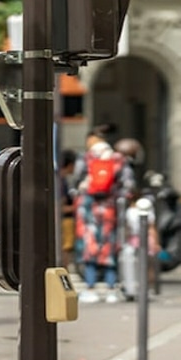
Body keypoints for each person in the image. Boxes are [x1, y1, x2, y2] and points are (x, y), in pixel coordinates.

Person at [74, 128, 134, 303]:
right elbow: (128, 184)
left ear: (92, 140)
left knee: (89, 248)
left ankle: (90, 289)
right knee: (110, 248)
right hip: (110, 210)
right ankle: (111, 290)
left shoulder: (86, 158)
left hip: (89, 209)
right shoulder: (118, 159)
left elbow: (77, 180)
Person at [57, 149, 78, 271]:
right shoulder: (61, 181)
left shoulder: (59, 179)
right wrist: (75, 207)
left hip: (63, 219)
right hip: (65, 220)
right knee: (66, 247)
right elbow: (61, 204)